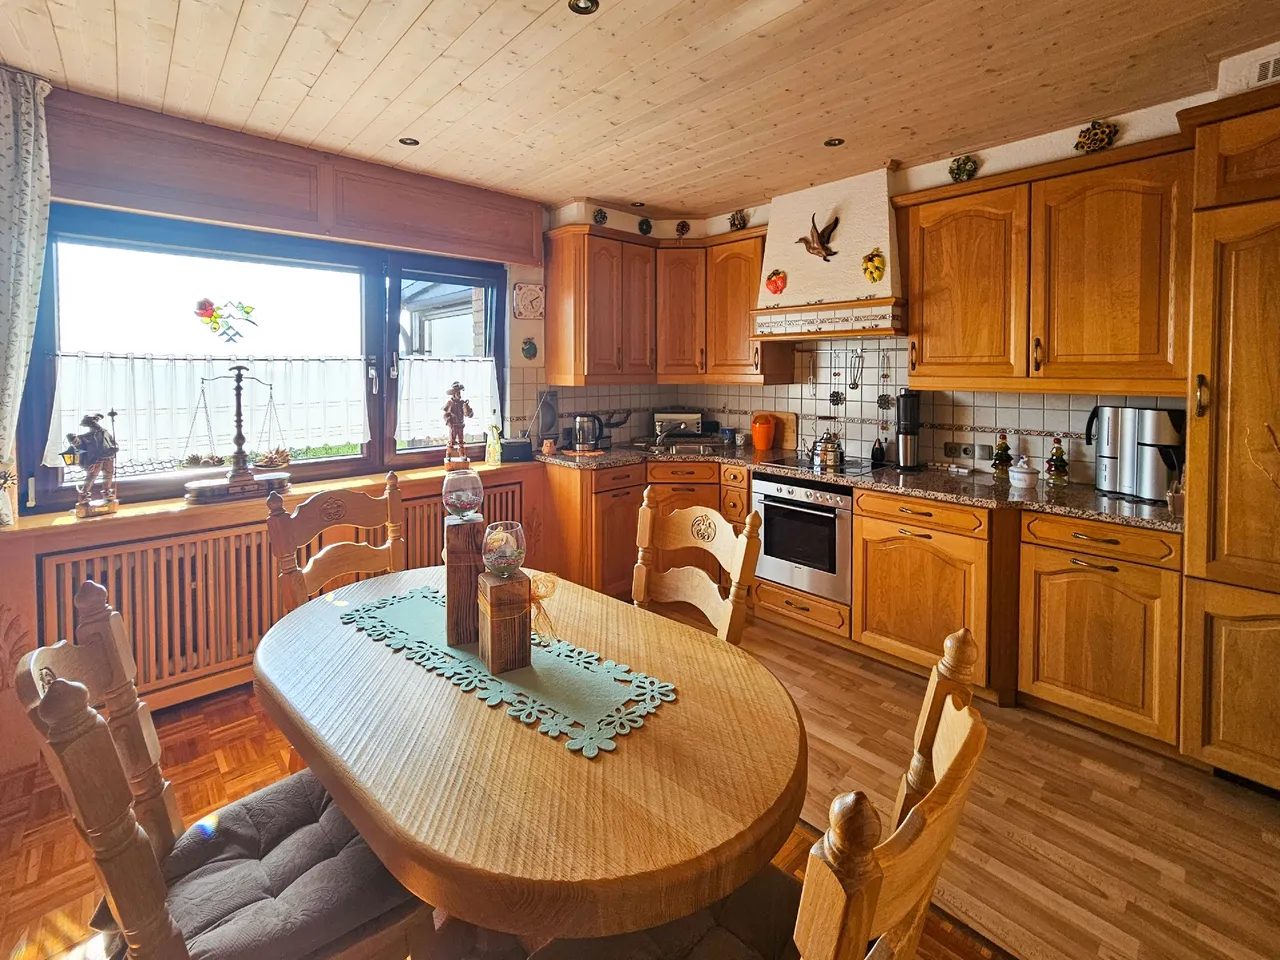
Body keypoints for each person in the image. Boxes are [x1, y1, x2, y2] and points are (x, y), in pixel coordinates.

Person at [442, 382, 473, 457]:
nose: (459, 395)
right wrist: (448, 422)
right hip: (453, 426)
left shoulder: (463, 403)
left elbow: (469, 414)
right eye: (457, 393)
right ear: (453, 394)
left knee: (461, 441)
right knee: (451, 441)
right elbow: (445, 415)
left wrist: (467, 409)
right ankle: (448, 454)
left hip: (461, 425)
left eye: (459, 393)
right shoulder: (450, 403)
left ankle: (462, 454)